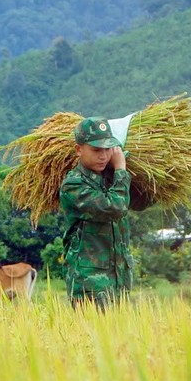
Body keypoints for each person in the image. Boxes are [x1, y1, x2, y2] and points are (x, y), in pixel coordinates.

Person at [59, 116, 134, 308]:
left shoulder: (111, 179)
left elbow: (141, 202)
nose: (103, 156)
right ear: (79, 149)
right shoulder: (74, 185)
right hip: (90, 285)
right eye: (96, 150)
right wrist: (121, 170)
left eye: (108, 149)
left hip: (120, 281)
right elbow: (115, 208)